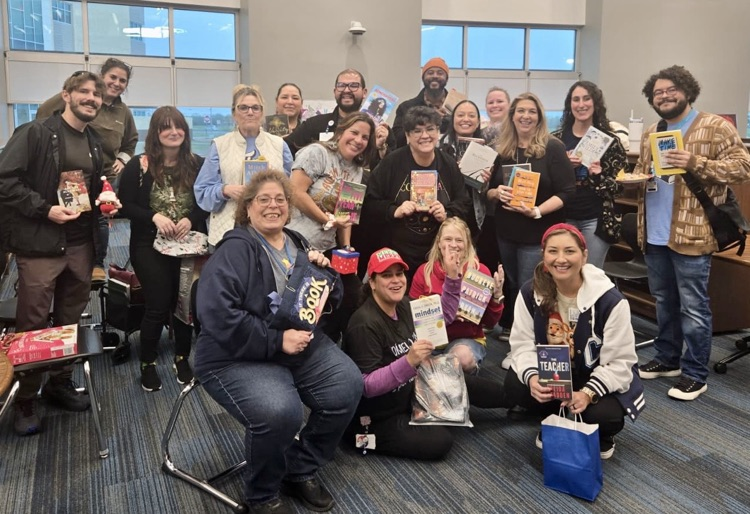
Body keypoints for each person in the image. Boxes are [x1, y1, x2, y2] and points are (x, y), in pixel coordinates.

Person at [193, 170, 362, 513]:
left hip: (293, 344)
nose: (274, 205)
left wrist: (326, 274)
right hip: (234, 354)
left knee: (347, 385)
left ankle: (299, 469)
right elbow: (215, 315)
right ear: (248, 208)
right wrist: (275, 341)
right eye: (263, 200)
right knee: (280, 411)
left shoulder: (298, 242)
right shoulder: (236, 249)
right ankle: (262, 496)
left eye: (280, 199)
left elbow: (321, 302)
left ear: (289, 206)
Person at [632, 65, 750, 401]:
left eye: (671, 90)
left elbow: (744, 167)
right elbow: (644, 171)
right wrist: (639, 177)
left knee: (693, 307)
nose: (665, 96)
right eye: (658, 93)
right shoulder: (653, 130)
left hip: (693, 233)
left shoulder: (714, 127)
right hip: (654, 232)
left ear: (686, 90)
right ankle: (668, 359)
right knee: (664, 303)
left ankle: (695, 373)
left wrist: (695, 161)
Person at [0, 71, 107, 435]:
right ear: (66, 94)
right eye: (84, 92)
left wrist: (105, 204)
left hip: (80, 243)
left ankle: (59, 383)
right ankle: (26, 397)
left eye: (97, 94)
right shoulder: (35, 133)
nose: (92, 98)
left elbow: (89, 192)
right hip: (41, 245)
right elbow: (5, 180)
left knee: (68, 320)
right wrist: (45, 209)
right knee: (32, 323)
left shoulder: (94, 141)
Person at [343, 247, 510, 460]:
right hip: (375, 417)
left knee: (467, 381)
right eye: (386, 275)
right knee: (440, 441)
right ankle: (358, 439)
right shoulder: (363, 324)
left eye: (399, 273)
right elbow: (367, 386)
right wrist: (409, 361)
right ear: (372, 283)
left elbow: (445, 316)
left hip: (410, 393)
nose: (396, 280)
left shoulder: (403, 304)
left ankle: (524, 401)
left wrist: (452, 277)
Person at [504, 223, 645, 459]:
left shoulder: (610, 300)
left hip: (595, 375)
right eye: (553, 251)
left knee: (603, 414)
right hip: (556, 376)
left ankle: (602, 434)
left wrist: (588, 393)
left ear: (584, 255)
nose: (561, 259)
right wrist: (533, 377)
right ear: (543, 255)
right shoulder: (530, 292)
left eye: (570, 251)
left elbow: (621, 362)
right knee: (516, 385)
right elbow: (522, 345)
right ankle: (552, 418)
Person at [118, 106, 208, 392]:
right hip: (148, 243)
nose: (174, 132)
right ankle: (147, 362)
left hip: (188, 242)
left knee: (185, 304)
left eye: (179, 127)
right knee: (158, 302)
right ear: (156, 133)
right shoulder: (139, 165)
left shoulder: (198, 163)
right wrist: (153, 217)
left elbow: (206, 202)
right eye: (166, 127)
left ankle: (182, 357)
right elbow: (125, 204)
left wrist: (189, 218)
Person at [486, 93, 576, 368]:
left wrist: (537, 211)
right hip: (506, 230)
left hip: (537, 231)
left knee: (531, 289)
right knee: (514, 286)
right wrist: (495, 192)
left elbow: (567, 191)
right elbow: (486, 190)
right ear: (512, 116)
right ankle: (521, 338)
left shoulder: (553, 148)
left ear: (539, 116)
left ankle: (527, 349)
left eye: (532, 112)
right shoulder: (501, 149)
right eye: (520, 111)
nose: (526, 116)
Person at [37, 58, 138, 282]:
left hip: (104, 176)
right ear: (102, 76)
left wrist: (122, 159)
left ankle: (97, 264)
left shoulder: (123, 112)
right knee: (72, 217)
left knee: (101, 219)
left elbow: (131, 141)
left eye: (122, 80)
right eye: (113, 77)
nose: (117, 83)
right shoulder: (85, 99)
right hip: (73, 174)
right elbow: (43, 113)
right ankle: (62, 262)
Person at [287, 111, 377, 340]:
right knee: (305, 307)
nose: (358, 140)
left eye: (365, 137)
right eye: (354, 133)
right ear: (341, 132)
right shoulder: (317, 153)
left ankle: (336, 347)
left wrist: (346, 247)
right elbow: (295, 192)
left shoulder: (357, 170)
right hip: (297, 244)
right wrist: (326, 219)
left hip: (328, 249)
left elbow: (346, 214)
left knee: (353, 296)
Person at [363, 106, 471, 280]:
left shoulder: (448, 164)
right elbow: (369, 202)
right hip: (398, 255)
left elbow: (464, 202)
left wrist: (447, 213)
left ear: (438, 131)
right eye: (417, 131)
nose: (425, 136)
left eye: (430, 129)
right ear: (407, 136)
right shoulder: (392, 163)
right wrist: (394, 210)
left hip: (438, 255)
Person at [194, 84, 293, 247]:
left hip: (270, 230)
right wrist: (224, 190)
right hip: (229, 231)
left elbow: (290, 188)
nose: (250, 112)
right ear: (234, 113)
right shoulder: (220, 145)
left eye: (255, 108)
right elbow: (202, 192)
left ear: (262, 113)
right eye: (243, 108)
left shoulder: (279, 145)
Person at [409, 218, 505, 374]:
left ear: (467, 244)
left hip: (467, 339)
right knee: (417, 362)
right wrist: (447, 315)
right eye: (448, 239)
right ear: (439, 243)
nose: (453, 244)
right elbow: (413, 320)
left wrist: (496, 297)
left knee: (459, 359)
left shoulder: (479, 272)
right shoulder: (424, 272)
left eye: (459, 240)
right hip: (431, 340)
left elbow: (490, 323)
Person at [552, 81, 627, 268]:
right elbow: (546, 182)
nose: (581, 104)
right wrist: (565, 167)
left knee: (590, 274)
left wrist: (598, 176)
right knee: (564, 271)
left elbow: (620, 188)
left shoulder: (610, 142)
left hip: (596, 220)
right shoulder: (555, 140)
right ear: (570, 105)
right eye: (575, 99)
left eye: (587, 98)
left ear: (596, 103)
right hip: (563, 216)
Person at [286, 69, 391, 162]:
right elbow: (285, 148)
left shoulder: (380, 130)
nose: (346, 90)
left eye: (353, 85)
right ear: (335, 91)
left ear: (364, 92)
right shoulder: (314, 124)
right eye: (341, 86)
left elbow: (393, 169)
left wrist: (381, 148)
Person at [439, 99, 486, 239]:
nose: (466, 119)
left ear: (478, 122)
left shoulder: (486, 151)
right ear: (452, 119)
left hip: (474, 215)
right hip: (444, 212)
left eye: (471, 116)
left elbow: (487, 195)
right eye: (460, 115)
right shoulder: (438, 147)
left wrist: (485, 183)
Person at [392, 57, 451, 148]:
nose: (435, 76)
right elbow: (396, 139)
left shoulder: (456, 109)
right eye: (430, 73)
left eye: (440, 73)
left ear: (446, 79)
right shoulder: (406, 107)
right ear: (423, 78)